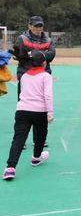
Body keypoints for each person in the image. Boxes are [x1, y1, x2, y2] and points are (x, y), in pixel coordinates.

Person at [3, 50, 54, 180]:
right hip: (40, 111)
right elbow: (47, 96)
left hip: (22, 110)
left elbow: (21, 94)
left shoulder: (25, 76)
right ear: (44, 63)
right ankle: (36, 157)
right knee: (40, 135)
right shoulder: (46, 76)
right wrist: (50, 112)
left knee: (18, 139)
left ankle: (10, 168)